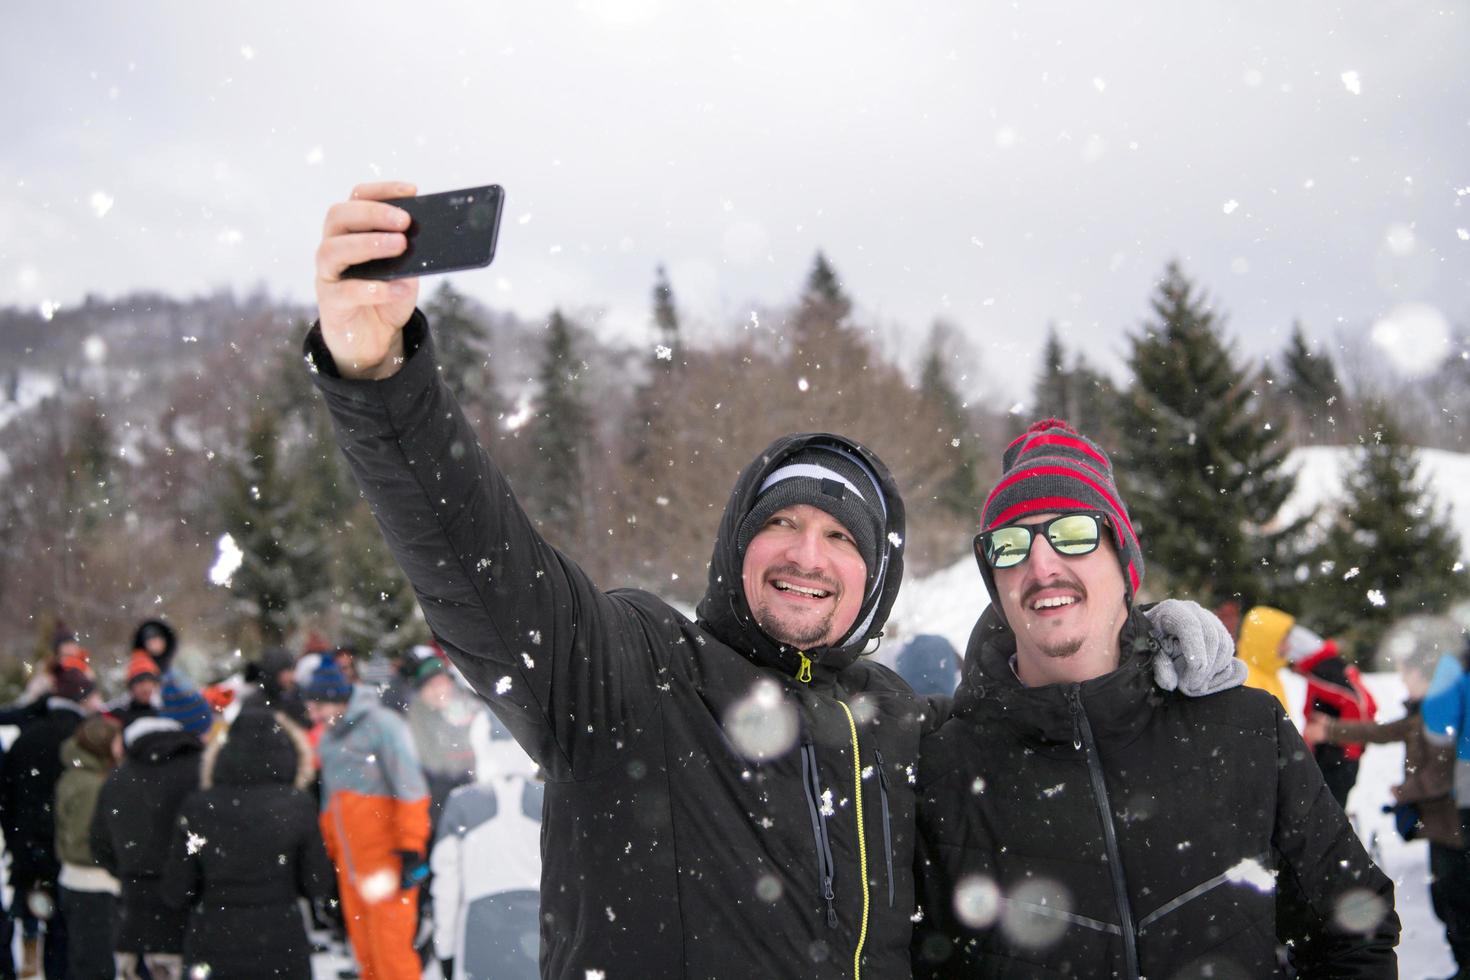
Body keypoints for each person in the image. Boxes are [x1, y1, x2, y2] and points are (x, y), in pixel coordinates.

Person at [306, 182, 1235, 978]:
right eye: (782, 523)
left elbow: (1049, 741)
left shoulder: (904, 727)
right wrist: (382, 379)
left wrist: (1138, 651)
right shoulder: (633, 674)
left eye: (840, 537)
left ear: (873, 578)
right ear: (734, 542)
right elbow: (478, 568)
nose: (806, 555)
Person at [912, 418, 1399, 978]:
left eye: (1074, 532)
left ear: (1125, 565)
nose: (1041, 565)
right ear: (994, 580)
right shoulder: (942, 770)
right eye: (1010, 544)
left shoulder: (1245, 728)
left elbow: (1354, 931)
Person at [1308, 646, 1465, 977]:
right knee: (1447, 900)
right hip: (1444, 827)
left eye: (1407, 674)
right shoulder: (1423, 714)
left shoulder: (1439, 714)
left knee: (1455, 901)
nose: (1403, 681)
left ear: (1424, 677)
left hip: (1454, 825)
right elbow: (1381, 732)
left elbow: (1440, 775)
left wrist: (1404, 791)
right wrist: (1333, 729)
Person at [161, 706, 333, 980]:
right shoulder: (297, 806)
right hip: (280, 941)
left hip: (214, 938)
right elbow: (317, 882)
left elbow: (177, 889)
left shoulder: (198, 808)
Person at [304, 657, 430, 980]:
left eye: (318, 708)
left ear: (337, 700)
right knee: (365, 956)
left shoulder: (383, 726)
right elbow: (330, 807)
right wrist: (330, 856)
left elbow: (411, 788)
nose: (314, 717)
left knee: (393, 955)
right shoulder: (329, 742)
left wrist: (411, 846)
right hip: (350, 869)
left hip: (388, 864)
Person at [91, 676, 213, 980]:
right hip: (191, 914)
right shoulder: (202, 773)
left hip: (134, 915)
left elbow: (99, 843)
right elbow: (211, 841)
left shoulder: (120, 776)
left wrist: (131, 871)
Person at [431, 711, 543, 980]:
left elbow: (446, 887)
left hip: (481, 935)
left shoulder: (461, 803)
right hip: (539, 935)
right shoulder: (548, 800)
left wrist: (444, 949)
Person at [0, 662, 95, 979]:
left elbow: (7, 798)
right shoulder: (83, 741)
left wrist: (16, 840)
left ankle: (25, 959)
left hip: (27, 847)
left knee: (29, 915)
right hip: (69, 853)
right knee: (63, 933)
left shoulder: (28, 737)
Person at [1280, 619, 1378, 809]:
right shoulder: (1327, 667)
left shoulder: (1324, 671)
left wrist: (1342, 741)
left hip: (1337, 758)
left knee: (1327, 818)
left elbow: (1356, 704)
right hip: (1334, 756)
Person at [55, 713, 123, 980]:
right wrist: (116, 864)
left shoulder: (80, 775)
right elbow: (84, 842)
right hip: (92, 885)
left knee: (85, 960)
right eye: (117, 741)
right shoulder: (92, 785)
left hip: (80, 883)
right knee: (95, 965)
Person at [406, 652, 481, 827]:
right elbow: (429, 758)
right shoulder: (417, 715)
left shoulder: (469, 704)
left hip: (473, 784)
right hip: (436, 790)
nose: (438, 690)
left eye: (441, 683)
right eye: (431, 685)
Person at [107, 650, 161, 730]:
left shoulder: (164, 710)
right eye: (140, 683)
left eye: (149, 682)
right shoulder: (119, 715)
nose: (146, 688)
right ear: (131, 687)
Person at [894, 634, 961, 697]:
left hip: (913, 696)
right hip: (943, 697)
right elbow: (962, 665)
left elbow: (900, 666)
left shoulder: (911, 648)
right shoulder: (944, 645)